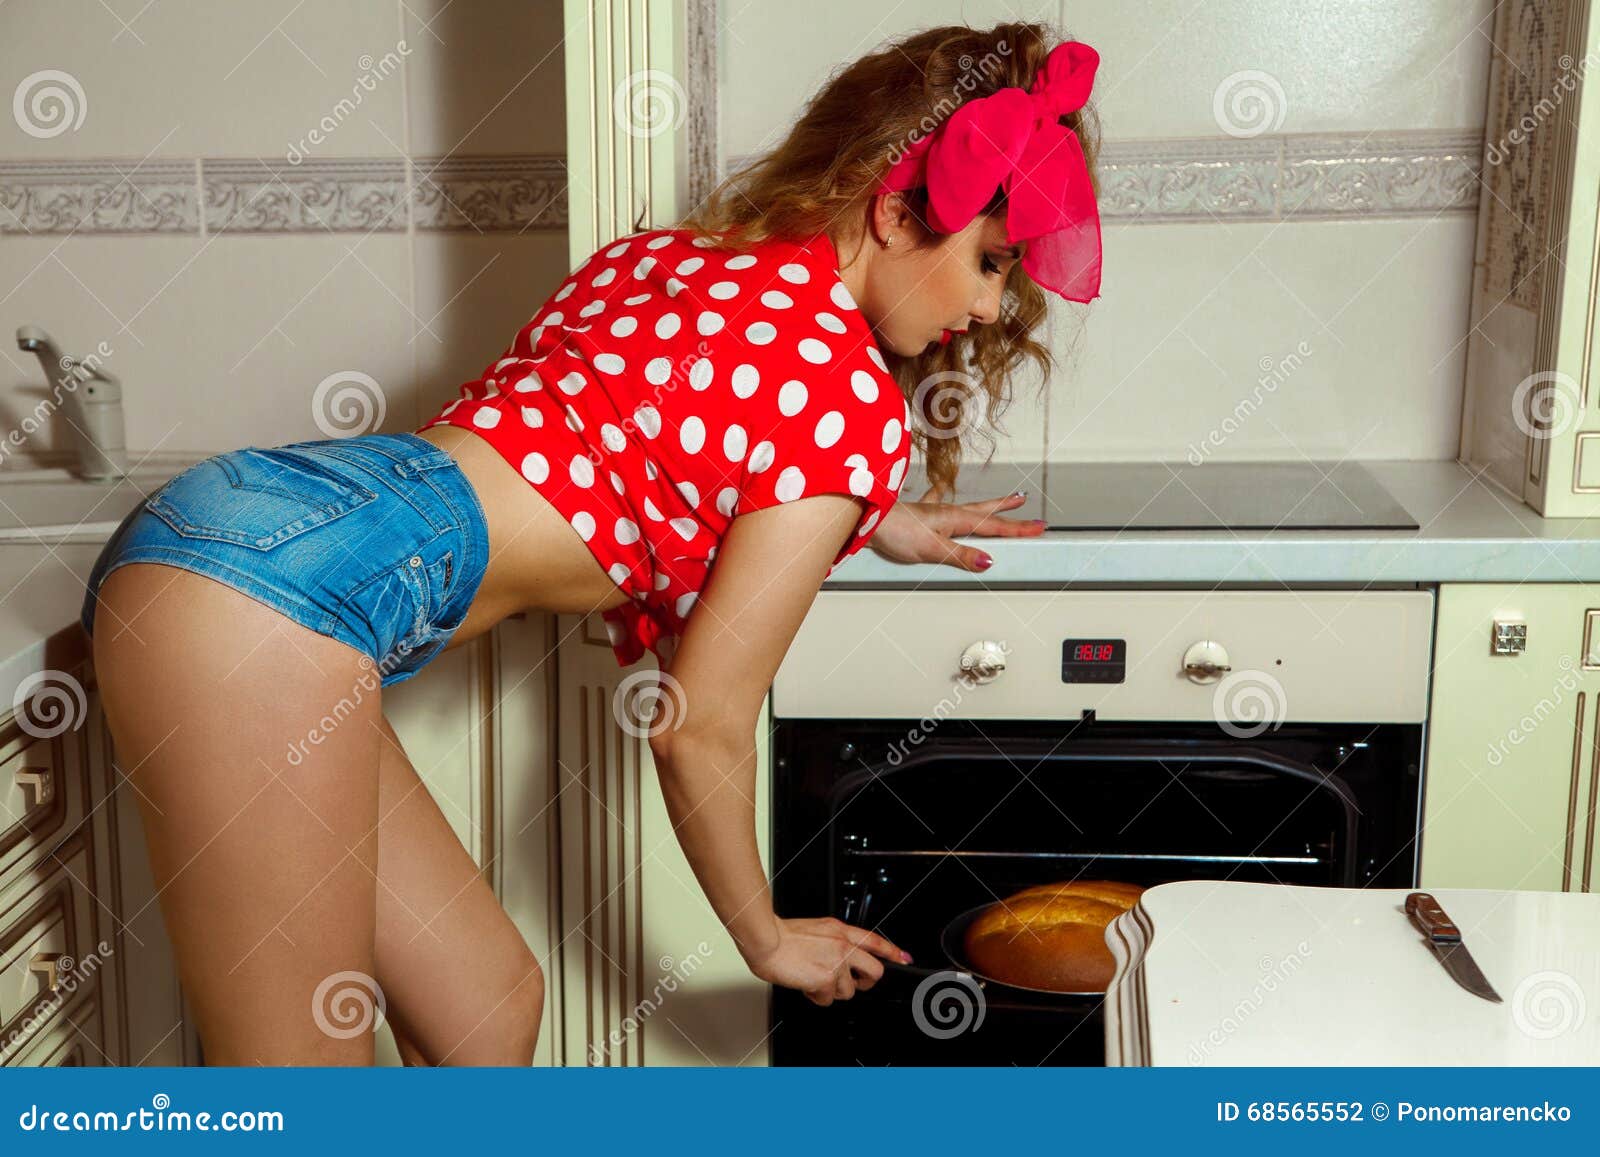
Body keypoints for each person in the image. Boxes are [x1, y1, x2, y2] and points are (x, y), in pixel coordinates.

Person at [77, 19, 1101, 1066]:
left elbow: (648, 436)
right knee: (304, 1101)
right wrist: (766, 934)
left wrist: (883, 518)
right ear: (893, 212)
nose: (984, 308)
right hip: (267, 600)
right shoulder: (843, 406)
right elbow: (697, 724)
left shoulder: (672, 264)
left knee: (490, 1006)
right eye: (988, 262)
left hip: (250, 528)